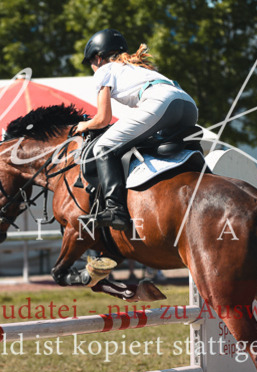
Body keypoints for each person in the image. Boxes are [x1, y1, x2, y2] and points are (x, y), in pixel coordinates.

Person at [74, 29, 198, 233]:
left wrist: (83, 126)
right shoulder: (137, 68)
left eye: (91, 63)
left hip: (161, 103)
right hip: (188, 104)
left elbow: (103, 119)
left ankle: (115, 209)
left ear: (98, 57)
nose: (92, 68)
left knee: (104, 146)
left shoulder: (105, 70)